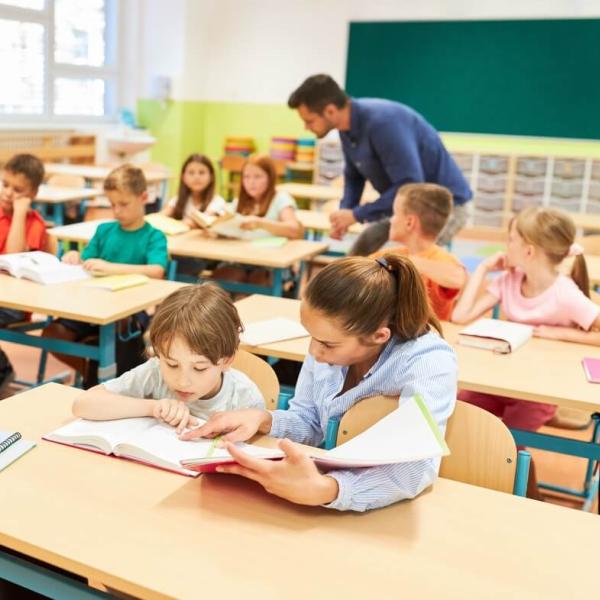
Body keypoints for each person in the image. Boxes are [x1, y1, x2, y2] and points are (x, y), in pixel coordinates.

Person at [182, 255, 457, 512]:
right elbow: (311, 420)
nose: (314, 352)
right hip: (317, 495)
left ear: (378, 336)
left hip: (382, 508)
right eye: (311, 336)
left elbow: (417, 466)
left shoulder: (428, 363)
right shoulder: (328, 342)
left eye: (326, 343)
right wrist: (263, 419)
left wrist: (329, 490)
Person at [452, 207, 600, 497]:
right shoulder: (508, 281)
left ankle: (528, 497)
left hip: (537, 393)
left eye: (510, 240)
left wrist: (558, 333)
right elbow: (461, 316)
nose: (505, 247)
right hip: (500, 382)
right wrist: (482, 269)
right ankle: (471, 486)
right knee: (457, 415)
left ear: (529, 251)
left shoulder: (564, 292)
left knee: (505, 443)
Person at [288, 74, 472, 253]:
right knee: (360, 252)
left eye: (309, 121)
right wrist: (345, 213)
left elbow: (409, 186)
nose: (306, 127)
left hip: (445, 207)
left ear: (330, 111)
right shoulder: (346, 128)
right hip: (406, 209)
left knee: (389, 264)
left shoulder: (382, 123)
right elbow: (354, 176)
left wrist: (356, 215)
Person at [72, 284, 265, 432]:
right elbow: (83, 404)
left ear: (227, 360)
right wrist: (152, 407)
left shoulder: (244, 397)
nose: (182, 381)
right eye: (172, 364)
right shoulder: (154, 372)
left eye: (199, 368)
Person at [42, 164, 168, 386]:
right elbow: (85, 261)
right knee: (53, 334)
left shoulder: (153, 236)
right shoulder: (104, 231)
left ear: (144, 197)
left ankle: (102, 378)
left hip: (129, 311)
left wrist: (110, 267)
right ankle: (97, 374)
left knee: (116, 334)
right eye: (112, 204)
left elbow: (156, 271)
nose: (117, 211)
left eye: (124, 204)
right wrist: (74, 256)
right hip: (92, 305)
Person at [371, 183, 466, 320]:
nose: (391, 219)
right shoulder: (389, 254)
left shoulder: (442, 260)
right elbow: (354, 271)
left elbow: (457, 278)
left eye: (395, 213)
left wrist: (404, 263)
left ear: (410, 222)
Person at [0, 153, 55, 390]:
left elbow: (13, 259)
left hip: (15, 304)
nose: (8, 193)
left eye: (18, 189)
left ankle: (2, 370)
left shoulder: (34, 224)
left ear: (32, 194)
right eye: (5, 184)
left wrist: (20, 213)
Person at [212, 154, 303, 287]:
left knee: (258, 281)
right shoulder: (239, 202)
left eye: (257, 177)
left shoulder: (280, 199)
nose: (251, 182)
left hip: (271, 263)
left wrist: (260, 223)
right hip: (241, 260)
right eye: (246, 177)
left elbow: (294, 230)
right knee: (218, 280)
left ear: (270, 179)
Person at [161, 153, 226, 226]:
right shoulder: (178, 199)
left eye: (202, 173)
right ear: (183, 177)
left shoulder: (217, 201)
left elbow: (202, 221)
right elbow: (162, 215)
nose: (196, 177)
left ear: (211, 177)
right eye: (191, 173)